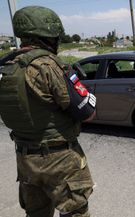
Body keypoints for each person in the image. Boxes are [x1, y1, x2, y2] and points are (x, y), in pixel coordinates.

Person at [0, 6, 96, 217]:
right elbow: (88, 112)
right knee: (76, 212)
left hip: (26, 160)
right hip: (60, 159)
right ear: (49, 36)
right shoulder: (48, 66)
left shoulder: (6, 67)